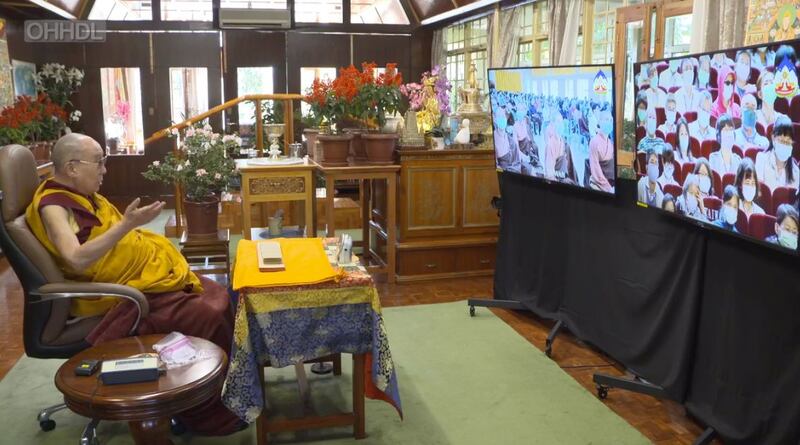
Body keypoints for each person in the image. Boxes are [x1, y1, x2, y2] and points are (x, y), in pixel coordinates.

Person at [24, 133, 243, 436]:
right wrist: (127, 225)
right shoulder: (53, 206)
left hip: (138, 279)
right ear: (72, 167)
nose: (104, 170)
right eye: (99, 163)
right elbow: (75, 259)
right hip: (121, 295)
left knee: (219, 294)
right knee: (206, 313)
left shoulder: (82, 196)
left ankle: (230, 390)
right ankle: (203, 413)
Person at [756, 116, 800, 190]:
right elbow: (759, 192)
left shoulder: (796, 171)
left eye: (788, 142)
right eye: (781, 141)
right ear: (773, 138)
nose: (784, 145)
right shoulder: (761, 159)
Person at [588, 108, 615, 192]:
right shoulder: (594, 142)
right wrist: (608, 188)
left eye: (611, 120)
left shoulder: (610, 143)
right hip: (598, 182)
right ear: (599, 122)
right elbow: (596, 169)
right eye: (606, 119)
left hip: (611, 181)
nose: (609, 122)